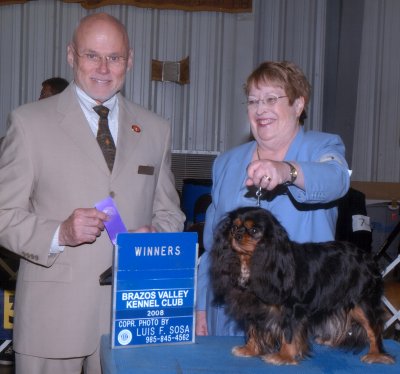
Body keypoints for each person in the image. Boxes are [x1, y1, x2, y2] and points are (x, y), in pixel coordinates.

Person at [0, 12, 185, 374]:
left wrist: (156, 238)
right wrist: (59, 233)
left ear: (129, 60)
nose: (103, 68)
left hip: (130, 319)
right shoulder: (28, 122)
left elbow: (170, 212)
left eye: (114, 57)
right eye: (91, 55)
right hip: (52, 320)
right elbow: (4, 213)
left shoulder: (155, 129)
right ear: (72, 55)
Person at [195, 61, 350, 336]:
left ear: (298, 105)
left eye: (270, 99)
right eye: (253, 101)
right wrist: (201, 307)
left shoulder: (322, 147)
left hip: (296, 314)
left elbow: (337, 180)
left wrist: (287, 171)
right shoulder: (226, 163)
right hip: (232, 318)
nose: (260, 109)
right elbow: (212, 246)